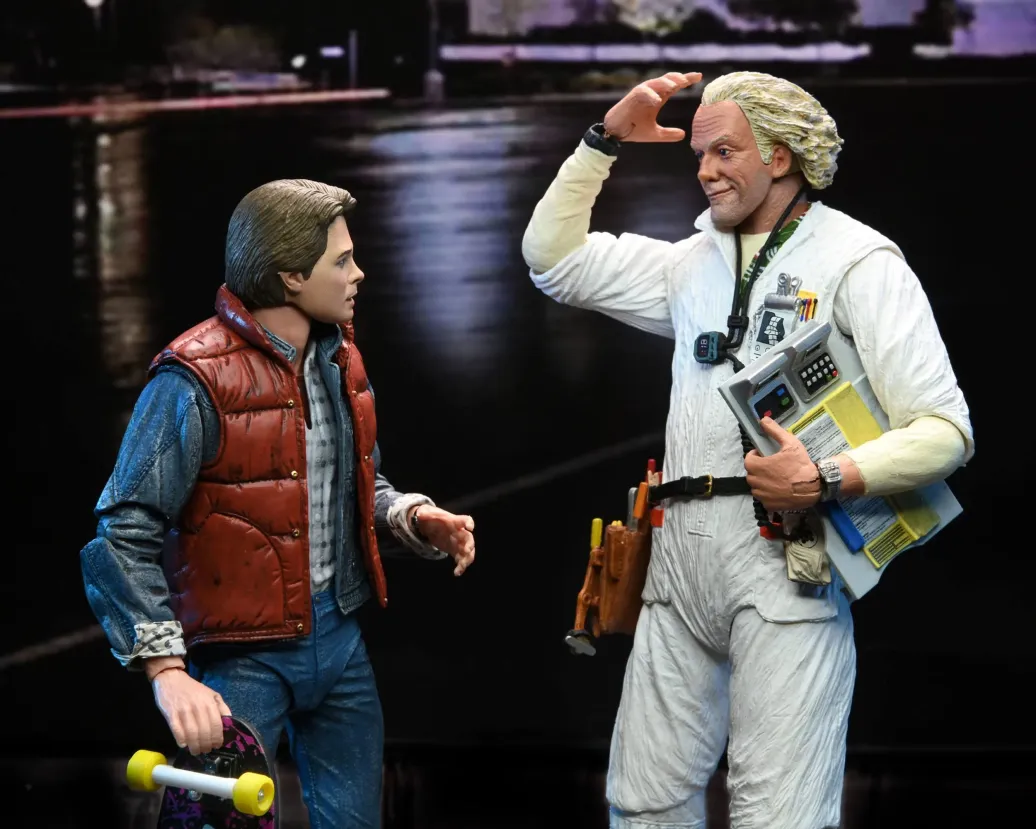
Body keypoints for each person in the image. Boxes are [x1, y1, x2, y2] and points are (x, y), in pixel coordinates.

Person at [521, 71, 973, 829]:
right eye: (699, 155)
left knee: (781, 813)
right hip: (677, 563)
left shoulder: (859, 261)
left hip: (786, 563)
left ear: (781, 156)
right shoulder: (690, 262)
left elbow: (945, 430)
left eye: (724, 151)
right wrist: (602, 141)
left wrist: (825, 476)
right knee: (642, 800)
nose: (705, 170)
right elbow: (552, 259)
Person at [80, 178, 476, 828]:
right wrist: (167, 670)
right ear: (291, 276)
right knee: (218, 820)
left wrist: (409, 515)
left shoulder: (340, 361)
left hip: (339, 641)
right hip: (244, 655)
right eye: (342, 261)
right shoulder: (194, 378)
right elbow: (123, 529)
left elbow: (351, 482)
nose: (358, 273)